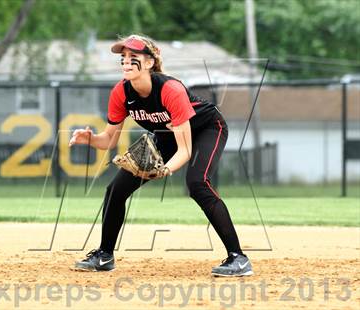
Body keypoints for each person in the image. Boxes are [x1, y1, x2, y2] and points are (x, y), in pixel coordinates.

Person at [69, 34, 253, 277]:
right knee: (115, 189)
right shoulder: (121, 93)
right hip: (166, 136)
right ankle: (104, 256)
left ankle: (238, 258)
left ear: (149, 62)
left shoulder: (170, 89)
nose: (125, 62)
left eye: (133, 57)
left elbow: (185, 150)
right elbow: (109, 140)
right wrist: (91, 139)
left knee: (197, 184)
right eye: (123, 57)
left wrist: (166, 169)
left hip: (207, 129)